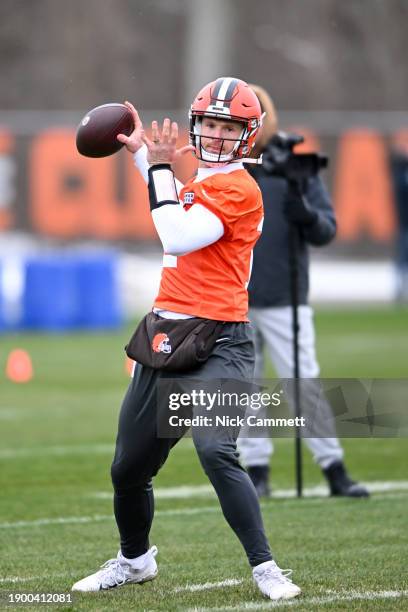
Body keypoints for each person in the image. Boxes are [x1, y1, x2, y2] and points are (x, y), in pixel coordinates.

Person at [71, 77, 301, 601]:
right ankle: (134, 562)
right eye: (211, 124)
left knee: (215, 449)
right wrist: (139, 155)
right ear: (198, 125)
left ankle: (266, 568)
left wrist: (155, 168)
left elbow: (174, 231)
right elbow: (174, 200)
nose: (217, 135)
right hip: (166, 333)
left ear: (247, 134)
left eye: (228, 126)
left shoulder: (241, 187)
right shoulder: (202, 179)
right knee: (128, 468)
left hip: (220, 339)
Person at [237, 84, 369, 499]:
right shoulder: (228, 168)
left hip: (284, 296)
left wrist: (305, 214)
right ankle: (256, 469)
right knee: (245, 387)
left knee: (302, 382)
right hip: (235, 297)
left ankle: (333, 467)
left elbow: (326, 230)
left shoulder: (295, 169)